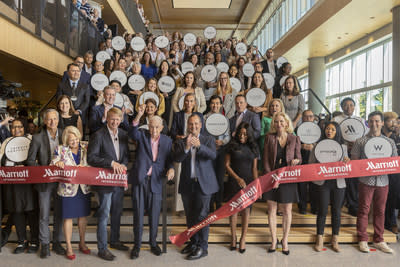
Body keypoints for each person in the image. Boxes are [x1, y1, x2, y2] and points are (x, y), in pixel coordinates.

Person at [129, 107, 175, 259]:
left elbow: (169, 160)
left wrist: (171, 169)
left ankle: (153, 243)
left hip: (156, 181)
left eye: (157, 127)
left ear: (161, 128)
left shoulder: (168, 141)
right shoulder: (141, 136)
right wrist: (139, 115)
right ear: (148, 126)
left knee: (155, 214)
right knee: (138, 213)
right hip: (140, 180)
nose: (154, 130)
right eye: (151, 126)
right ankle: (137, 245)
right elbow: (132, 132)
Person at [173, 114, 219, 260]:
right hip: (188, 183)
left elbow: (213, 155)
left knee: (202, 216)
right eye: (191, 124)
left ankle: (202, 247)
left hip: (204, 184)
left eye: (196, 124)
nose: (193, 127)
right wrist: (186, 147)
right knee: (190, 216)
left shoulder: (208, 139)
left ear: (201, 125)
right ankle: (193, 242)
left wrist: (199, 146)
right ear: (187, 125)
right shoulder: (182, 141)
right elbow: (177, 158)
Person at [87, 107, 130, 261]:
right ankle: (102, 248)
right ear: (107, 118)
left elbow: (126, 156)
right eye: (112, 119)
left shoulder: (124, 135)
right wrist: (112, 163)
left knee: (117, 212)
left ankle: (115, 240)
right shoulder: (98, 135)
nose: (115, 122)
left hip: (118, 181)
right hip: (104, 181)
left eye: (118, 119)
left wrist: (123, 164)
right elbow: (91, 158)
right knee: (104, 214)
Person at [352, 111, 397, 254]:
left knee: (380, 211)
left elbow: (394, 161)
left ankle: (379, 239)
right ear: (367, 123)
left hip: (383, 181)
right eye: (371, 121)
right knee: (364, 210)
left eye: (377, 121)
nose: (374, 124)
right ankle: (362, 239)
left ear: (382, 123)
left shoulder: (389, 142)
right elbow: (354, 162)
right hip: (366, 180)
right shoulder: (360, 141)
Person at [26, 109, 65, 258]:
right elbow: (30, 161)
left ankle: (57, 242)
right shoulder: (37, 138)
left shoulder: (64, 134)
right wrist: (45, 170)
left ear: (58, 119)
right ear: (44, 121)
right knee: (44, 215)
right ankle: (45, 244)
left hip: (61, 182)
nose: (52, 122)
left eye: (55, 119)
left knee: (59, 214)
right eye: (49, 119)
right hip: (44, 182)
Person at [263, 112, 301, 255]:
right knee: (272, 210)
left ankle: (285, 240)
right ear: (274, 124)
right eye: (276, 121)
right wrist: (272, 178)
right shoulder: (269, 138)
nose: (279, 124)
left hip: (288, 179)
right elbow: (266, 160)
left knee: (287, 211)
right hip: (272, 178)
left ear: (286, 123)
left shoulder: (294, 138)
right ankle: (274, 240)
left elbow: (299, 158)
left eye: (281, 121)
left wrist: (296, 161)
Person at [51, 126, 91, 260]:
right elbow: (53, 162)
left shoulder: (86, 146)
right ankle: (68, 246)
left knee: (83, 217)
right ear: (66, 141)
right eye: (71, 140)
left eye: (76, 139)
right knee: (68, 218)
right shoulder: (61, 149)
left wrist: (84, 168)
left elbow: (93, 162)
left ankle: (82, 242)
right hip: (67, 189)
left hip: (83, 188)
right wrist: (58, 163)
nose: (74, 142)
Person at [309, 122, 349, 252]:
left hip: (338, 183)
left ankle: (335, 239)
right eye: (327, 129)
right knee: (322, 210)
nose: (329, 131)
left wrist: (346, 161)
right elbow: (310, 164)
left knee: (337, 211)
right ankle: (319, 238)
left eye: (332, 129)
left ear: (337, 131)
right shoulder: (317, 146)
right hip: (323, 182)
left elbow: (347, 166)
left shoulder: (343, 147)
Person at [0, 119, 39, 254]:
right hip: (12, 185)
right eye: (14, 127)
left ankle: (34, 240)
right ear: (10, 129)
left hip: (28, 184)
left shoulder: (31, 140)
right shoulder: (6, 143)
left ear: (25, 128)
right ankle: (21, 241)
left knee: (31, 212)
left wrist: (28, 166)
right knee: (16, 212)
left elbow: (37, 160)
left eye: (20, 127)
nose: (17, 129)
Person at [225, 122, 258, 253]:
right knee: (234, 211)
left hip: (249, 183)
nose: (242, 136)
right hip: (234, 182)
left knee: (246, 211)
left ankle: (243, 239)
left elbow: (254, 168)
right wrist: (237, 178)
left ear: (249, 134)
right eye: (240, 133)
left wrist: (256, 184)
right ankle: (233, 237)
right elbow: (227, 165)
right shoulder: (232, 146)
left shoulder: (254, 148)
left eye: (245, 134)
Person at [333, 97, 368, 216]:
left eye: (351, 105)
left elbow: (366, 135)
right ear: (342, 107)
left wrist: (357, 142)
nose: (349, 107)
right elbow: (332, 134)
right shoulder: (336, 119)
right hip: (341, 151)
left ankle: (353, 206)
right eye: (346, 105)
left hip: (356, 152)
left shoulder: (360, 120)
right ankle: (339, 203)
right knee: (341, 178)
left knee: (353, 179)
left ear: (354, 107)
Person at [170, 93, 204, 213]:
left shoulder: (199, 115)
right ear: (183, 102)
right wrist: (181, 137)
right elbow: (172, 131)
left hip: (195, 145)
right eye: (186, 101)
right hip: (182, 145)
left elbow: (202, 132)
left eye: (191, 101)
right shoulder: (178, 114)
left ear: (195, 102)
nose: (188, 103)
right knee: (181, 176)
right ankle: (181, 208)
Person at [204, 95, 231, 211]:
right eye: (213, 103)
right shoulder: (204, 118)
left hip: (221, 151)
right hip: (208, 151)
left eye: (217, 103)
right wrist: (210, 142)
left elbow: (228, 135)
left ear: (221, 105)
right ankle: (209, 204)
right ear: (210, 104)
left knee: (219, 178)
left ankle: (218, 203)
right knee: (209, 177)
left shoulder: (225, 119)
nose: (215, 105)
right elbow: (203, 135)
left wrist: (222, 141)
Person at [296, 109, 318, 214]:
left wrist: (314, 146)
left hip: (315, 162)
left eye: (310, 116)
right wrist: (301, 146)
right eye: (306, 116)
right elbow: (292, 144)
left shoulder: (319, 130)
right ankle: (302, 207)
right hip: (302, 160)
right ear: (302, 118)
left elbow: (324, 143)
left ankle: (314, 207)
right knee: (302, 186)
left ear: (314, 118)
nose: (308, 118)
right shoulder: (297, 129)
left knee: (314, 186)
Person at [382, 112, 400, 234]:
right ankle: (390, 224)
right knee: (388, 199)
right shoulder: (379, 137)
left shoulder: (396, 137)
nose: (394, 124)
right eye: (391, 121)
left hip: (396, 173)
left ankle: (393, 222)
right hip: (383, 172)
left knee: (395, 198)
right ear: (383, 122)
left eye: (396, 122)